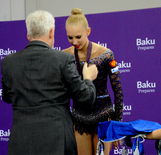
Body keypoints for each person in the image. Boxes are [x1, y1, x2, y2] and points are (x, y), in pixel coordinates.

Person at [1, 10, 98, 155]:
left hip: (20, 143)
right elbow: (86, 97)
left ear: (28, 35)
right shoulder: (63, 60)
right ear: (51, 32)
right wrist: (88, 78)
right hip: (58, 142)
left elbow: (7, 97)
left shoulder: (8, 62)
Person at [63, 8, 124, 155]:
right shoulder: (65, 56)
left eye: (78, 36)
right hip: (79, 117)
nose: (75, 42)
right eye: (70, 38)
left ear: (88, 31)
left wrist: (117, 124)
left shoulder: (106, 54)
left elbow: (118, 92)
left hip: (104, 116)